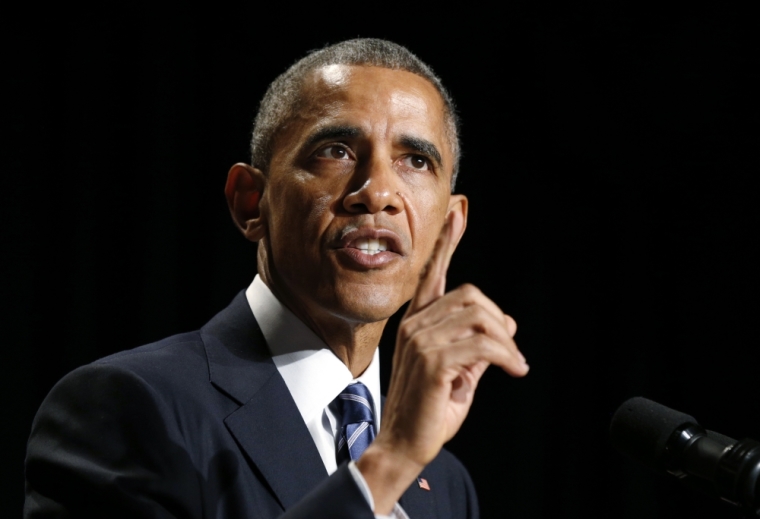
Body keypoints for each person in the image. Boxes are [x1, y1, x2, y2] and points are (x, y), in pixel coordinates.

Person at [24, 38, 529, 518]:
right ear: (250, 202)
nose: (377, 192)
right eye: (336, 151)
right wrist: (387, 464)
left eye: (415, 160)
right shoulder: (128, 408)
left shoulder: (444, 481)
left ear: (447, 228)